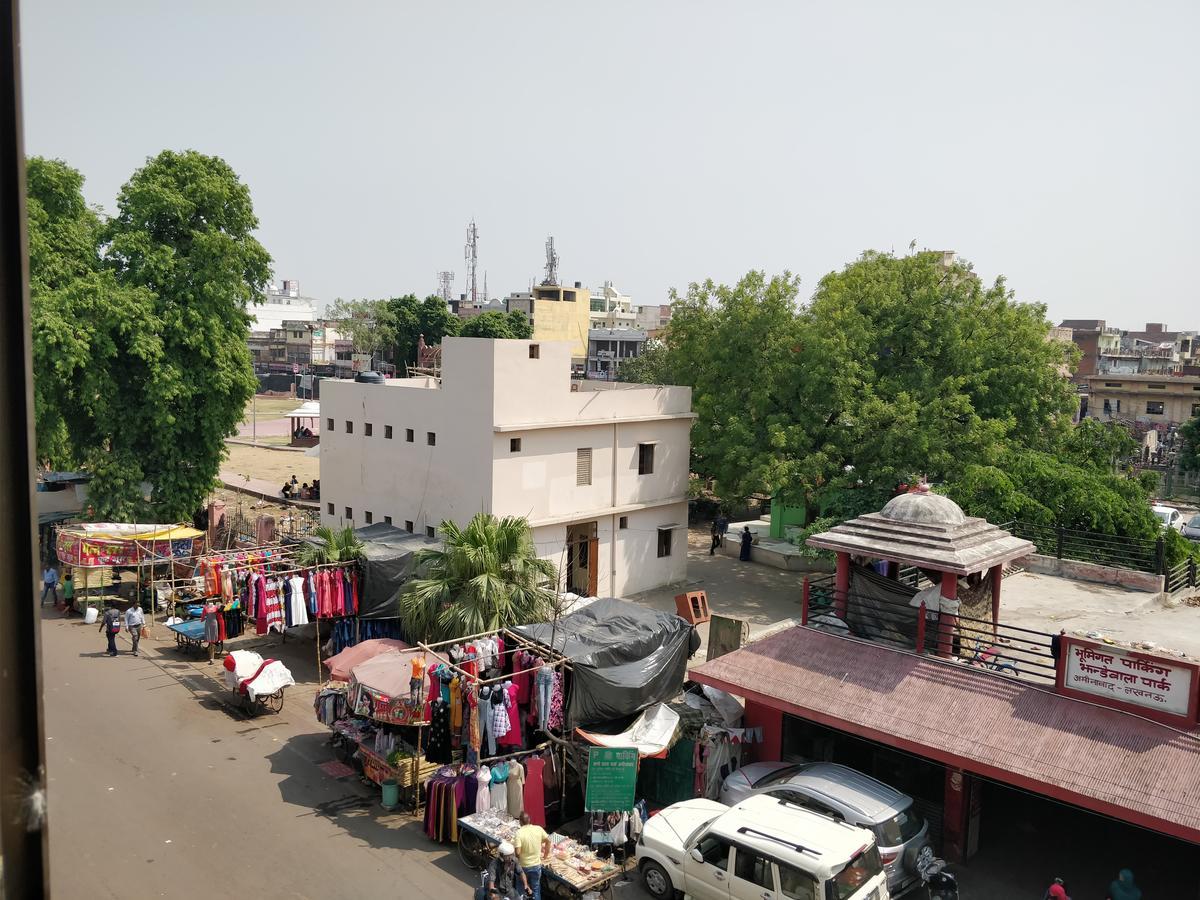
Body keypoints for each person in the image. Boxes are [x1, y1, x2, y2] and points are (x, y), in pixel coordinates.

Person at [514, 812, 551, 900]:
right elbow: (548, 841)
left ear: (520, 822)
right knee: (536, 889)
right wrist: (545, 855)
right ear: (529, 820)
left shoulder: (519, 833)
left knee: (521, 888)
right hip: (536, 866)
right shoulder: (538, 829)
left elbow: (518, 853)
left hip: (523, 866)